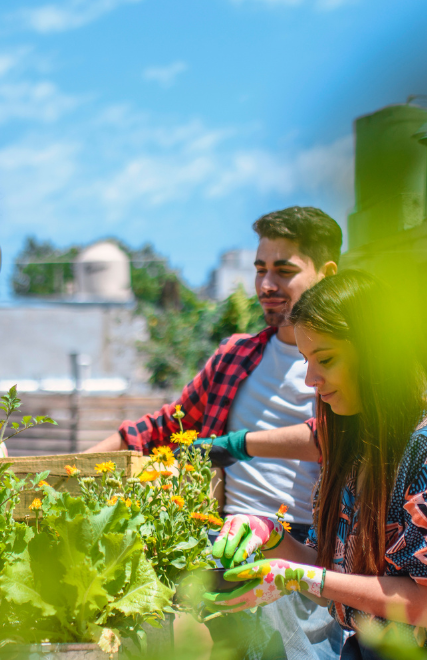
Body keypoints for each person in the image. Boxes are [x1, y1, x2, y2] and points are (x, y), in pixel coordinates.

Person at [88, 206, 344, 660]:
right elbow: (165, 426)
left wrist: (235, 445)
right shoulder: (236, 355)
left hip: (303, 549)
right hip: (221, 540)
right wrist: (72, 466)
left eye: (284, 271)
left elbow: (334, 439)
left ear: (326, 273)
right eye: (260, 270)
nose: (266, 285)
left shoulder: (342, 362)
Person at [207, 270, 427, 658]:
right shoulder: (353, 446)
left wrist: (298, 577)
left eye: (326, 359)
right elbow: (331, 576)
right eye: (305, 360)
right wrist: (269, 534)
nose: (310, 379)